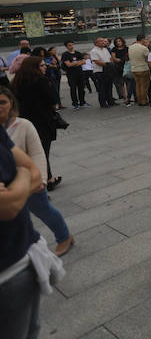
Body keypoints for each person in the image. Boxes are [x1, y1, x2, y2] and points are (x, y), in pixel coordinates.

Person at [1, 87, 74, 256]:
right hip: (6, 185)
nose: (0, 106)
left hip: (29, 181)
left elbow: (37, 153)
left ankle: (64, 237)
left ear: (11, 102)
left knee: (44, 211)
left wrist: (41, 179)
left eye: (3, 102)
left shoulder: (23, 125)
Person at [0, 123, 51, 339]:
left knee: (33, 330)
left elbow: (34, 171)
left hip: (25, 258)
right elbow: (8, 207)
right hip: (5, 276)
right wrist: (22, 176)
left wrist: (17, 181)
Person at [11, 57, 62, 191]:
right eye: (42, 66)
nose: (45, 67)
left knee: (33, 152)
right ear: (33, 67)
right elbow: (53, 99)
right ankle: (44, 181)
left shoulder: (17, 81)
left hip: (24, 121)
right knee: (41, 153)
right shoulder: (41, 80)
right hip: (42, 121)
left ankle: (48, 178)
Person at [60, 42, 87, 111]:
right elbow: (68, 65)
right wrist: (78, 62)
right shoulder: (65, 54)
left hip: (80, 73)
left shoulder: (78, 53)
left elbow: (84, 61)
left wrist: (75, 63)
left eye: (72, 45)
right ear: (66, 46)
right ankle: (75, 103)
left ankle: (82, 102)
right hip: (71, 74)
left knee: (81, 88)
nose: (71, 46)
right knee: (73, 88)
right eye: (69, 45)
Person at [128, 35, 151, 106]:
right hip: (143, 68)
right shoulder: (144, 48)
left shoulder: (130, 47)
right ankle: (144, 101)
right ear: (142, 39)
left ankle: (139, 100)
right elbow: (148, 59)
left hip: (134, 69)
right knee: (144, 85)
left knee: (138, 85)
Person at [109, 37, 129, 105]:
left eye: (119, 41)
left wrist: (123, 59)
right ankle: (125, 97)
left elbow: (128, 56)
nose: (118, 42)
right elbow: (114, 58)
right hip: (118, 67)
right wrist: (118, 60)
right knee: (121, 83)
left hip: (126, 66)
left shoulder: (126, 48)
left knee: (128, 82)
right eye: (117, 41)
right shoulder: (114, 49)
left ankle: (129, 97)